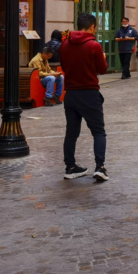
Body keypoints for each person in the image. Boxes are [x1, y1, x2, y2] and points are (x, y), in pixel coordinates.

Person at [59, 12, 109, 182]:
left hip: (71, 94)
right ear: (92, 27)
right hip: (89, 93)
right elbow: (102, 69)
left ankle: (70, 167)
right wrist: (103, 59)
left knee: (71, 133)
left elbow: (64, 67)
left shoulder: (64, 45)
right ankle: (100, 167)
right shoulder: (94, 45)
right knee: (98, 132)